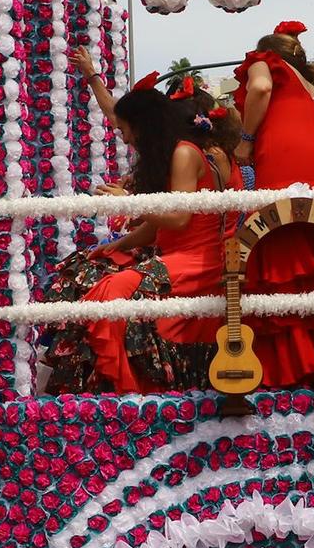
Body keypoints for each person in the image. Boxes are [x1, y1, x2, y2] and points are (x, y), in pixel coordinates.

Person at [46, 88, 243, 393]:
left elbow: (178, 218)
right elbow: (156, 229)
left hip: (197, 263)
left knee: (110, 293)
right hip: (174, 254)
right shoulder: (176, 152)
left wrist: (128, 200)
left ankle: (131, 389)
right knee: (83, 268)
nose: (124, 139)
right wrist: (119, 245)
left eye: (124, 130)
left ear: (142, 125)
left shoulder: (185, 153)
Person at [232, 21, 314, 387]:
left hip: (285, 159)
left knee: (282, 255)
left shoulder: (264, 62)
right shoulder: (310, 85)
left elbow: (260, 87)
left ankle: (292, 370)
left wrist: (245, 138)